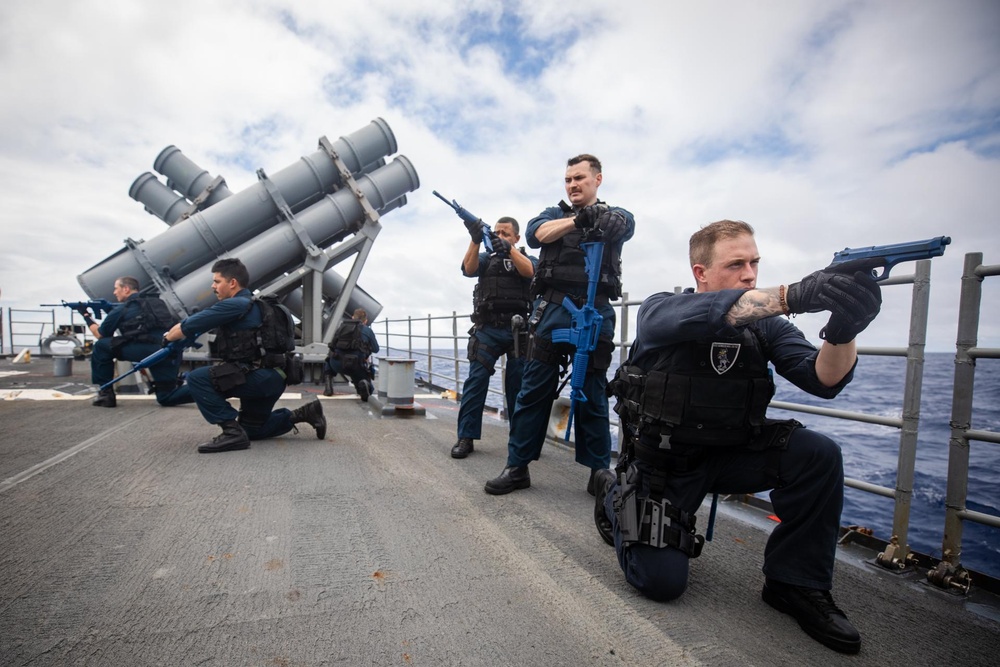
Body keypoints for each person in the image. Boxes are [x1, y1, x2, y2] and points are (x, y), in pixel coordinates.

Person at [593, 220, 882, 654]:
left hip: (732, 455)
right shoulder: (661, 310)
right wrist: (795, 296)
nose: (749, 274)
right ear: (700, 273)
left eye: (754, 263)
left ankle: (794, 584)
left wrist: (843, 329)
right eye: (736, 264)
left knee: (817, 453)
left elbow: (824, 380)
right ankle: (615, 496)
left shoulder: (765, 327)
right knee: (661, 583)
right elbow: (715, 312)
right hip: (666, 468)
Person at [485, 154, 635, 494]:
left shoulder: (614, 214)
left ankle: (598, 470)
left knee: (593, 393)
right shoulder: (553, 215)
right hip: (553, 310)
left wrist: (610, 218)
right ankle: (518, 466)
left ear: (597, 179)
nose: (573, 185)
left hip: (595, 311)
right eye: (568, 180)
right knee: (533, 389)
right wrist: (578, 221)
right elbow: (537, 235)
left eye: (580, 178)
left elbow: (625, 223)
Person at [162, 258, 327, 453]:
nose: (213, 286)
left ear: (232, 283)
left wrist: (167, 338)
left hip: (256, 376)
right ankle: (305, 413)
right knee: (252, 430)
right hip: (275, 376)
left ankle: (232, 433)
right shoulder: (258, 305)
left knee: (198, 379)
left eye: (217, 281)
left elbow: (187, 326)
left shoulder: (234, 305)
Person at [452, 216, 538, 458]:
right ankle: (465, 437)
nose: (500, 236)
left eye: (506, 234)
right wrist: (475, 239)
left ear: (516, 238)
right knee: (476, 382)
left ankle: (520, 441)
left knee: (518, 386)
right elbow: (468, 269)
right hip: (487, 328)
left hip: (518, 330)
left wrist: (510, 250)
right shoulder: (485, 259)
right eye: (497, 232)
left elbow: (531, 272)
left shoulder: (525, 257)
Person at [84, 276, 186, 407]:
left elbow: (100, 334)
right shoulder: (157, 303)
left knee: (101, 346)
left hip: (146, 351)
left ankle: (106, 394)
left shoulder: (121, 309)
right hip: (168, 352)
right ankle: (207, 390)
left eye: (116, 289)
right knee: (166, 397)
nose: (114, 292)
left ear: (126, 289)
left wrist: (86, 316)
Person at [324, 308, 380, 401]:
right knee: (365, 383)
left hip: (338, 364)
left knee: (328, 361)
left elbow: (332, 345)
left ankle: (328, 388)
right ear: (365, 321)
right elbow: (376, 349)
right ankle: (363, 385)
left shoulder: (342, 327)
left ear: (353, 317)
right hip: (356, 365)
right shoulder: (367, 330)